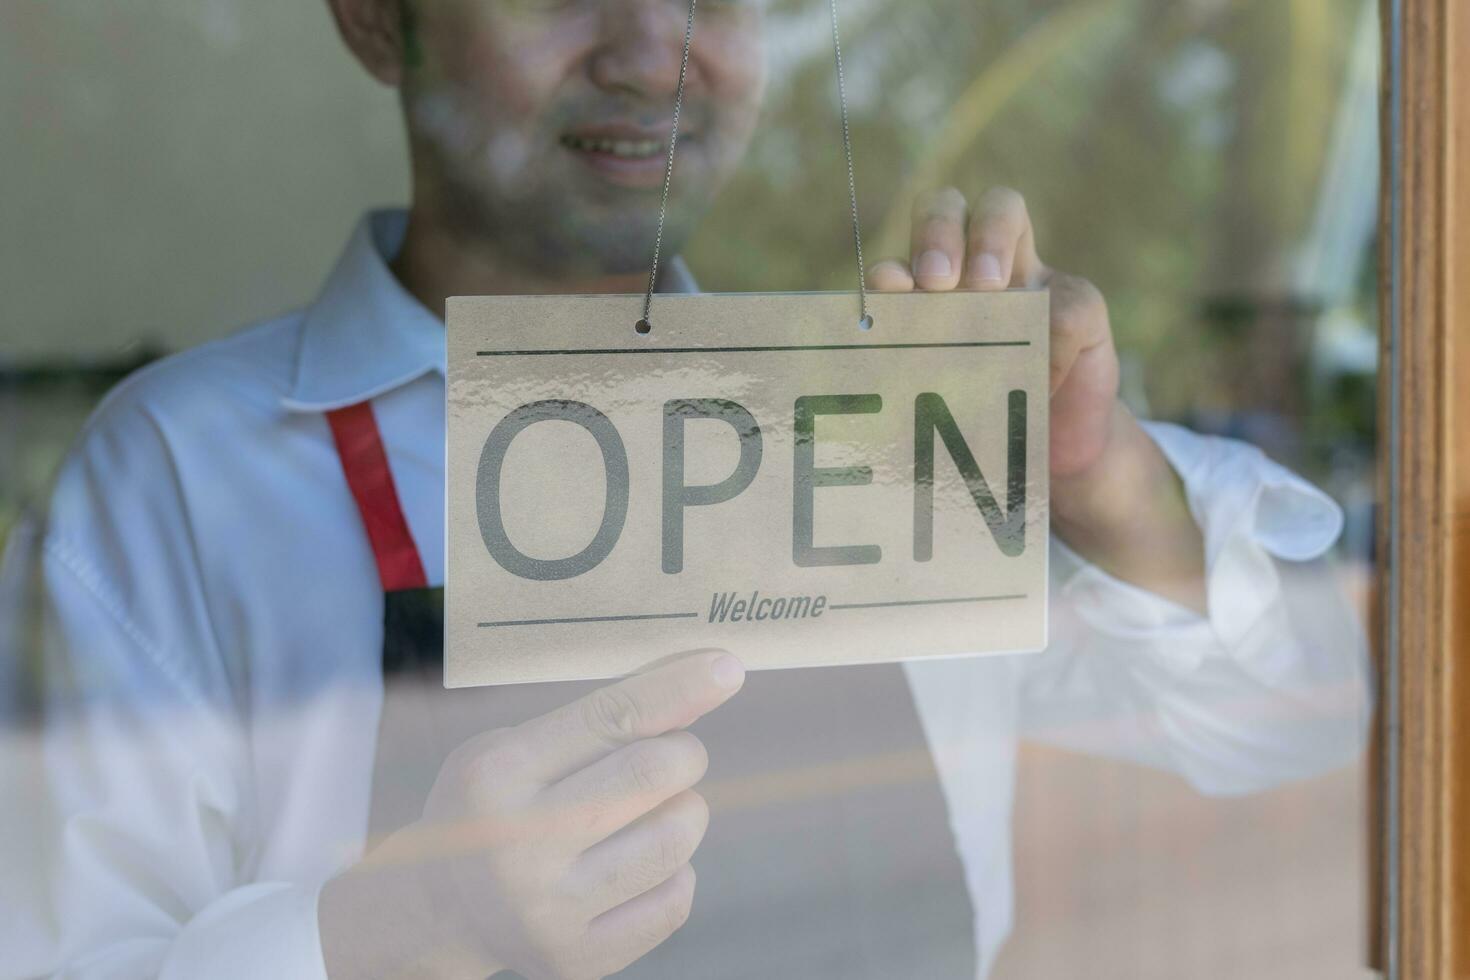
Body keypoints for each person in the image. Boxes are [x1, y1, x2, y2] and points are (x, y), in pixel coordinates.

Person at [1, 0, 1370, 978]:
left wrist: (1099, 479)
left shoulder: (887, 425)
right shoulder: (182, 474)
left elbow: (1286, 724)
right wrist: (391, 935)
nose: (651, 50)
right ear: (373, 16)